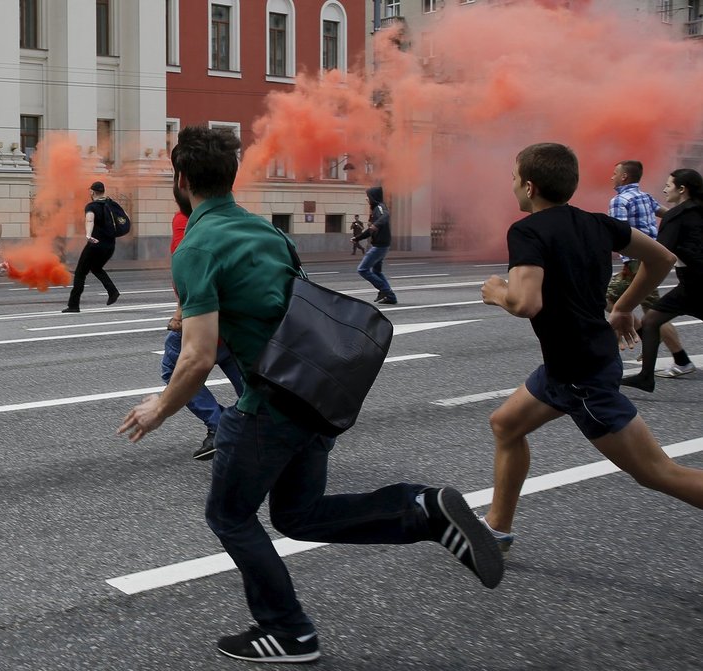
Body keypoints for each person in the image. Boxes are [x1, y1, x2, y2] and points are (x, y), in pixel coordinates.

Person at [119, 126, 503, 664]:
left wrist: (160, 407)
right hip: (314, 396)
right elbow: (276, 308)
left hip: (267, 406)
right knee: (299, 516)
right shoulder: (266, 232)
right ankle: (421, 511)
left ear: (180, 180)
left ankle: (289, 631)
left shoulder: (197, 246)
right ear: (231, 175)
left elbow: (198, 356)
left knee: (230, 516)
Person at [479, 143, 703, 556]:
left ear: (528, 186)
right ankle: (497, 527)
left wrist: (496, 292)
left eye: (513, 178)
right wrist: (623, 307)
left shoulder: (527, 230)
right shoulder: (598, 223)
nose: (511, 186)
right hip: (567, 366)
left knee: (658, 473)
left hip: (582, 376)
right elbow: (662, 259)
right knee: (506, 425)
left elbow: (526, 302)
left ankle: (497, 527)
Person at [161, 171, 245, 461]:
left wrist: (180, 313)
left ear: (182, 184)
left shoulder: (186, 221)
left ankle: (221, 426)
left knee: (174, 369)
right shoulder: (245, 221)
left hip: (204, 318)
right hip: (238, 320)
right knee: (248, 379)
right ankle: (266, 424)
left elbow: (190, 274)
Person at [620, 168, 703, 391]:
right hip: (690, 285)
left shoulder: (677, 216)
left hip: (696, 284)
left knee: (652, 320)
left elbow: (660, 255)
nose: (665, 189)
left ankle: (647, 376)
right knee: (652, 320)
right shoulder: (696, 212)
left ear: (682, 189)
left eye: (669, 185)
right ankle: (646, 377)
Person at [605, 160, 691, 376]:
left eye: (615, 173)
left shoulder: (619, 200)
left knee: (608, 298)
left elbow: (619, 233)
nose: (611, 177)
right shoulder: (646, 197)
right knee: (651, 309)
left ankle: (649, 342)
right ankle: (663, 346)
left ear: (624, 177)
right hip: (652, 258)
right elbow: (668, 214)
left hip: (635, 262)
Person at [61, 181, 121, 313]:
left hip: (95, 244)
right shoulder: (112, 204)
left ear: (92, 192)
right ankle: (112, 291)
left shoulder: (92, 206)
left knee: (80, 273)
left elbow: (90, 220)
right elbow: (124, 219)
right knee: (96, 268)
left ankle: (73, 305)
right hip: (110, 245)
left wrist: (88, 235)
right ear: (103, 191)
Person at [352, 187, 397, 304]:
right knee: (376, 272)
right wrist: (358, 238)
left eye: (368, 196)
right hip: (380, 244)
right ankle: (391, 297)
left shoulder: (380, 207)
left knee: (362, 269)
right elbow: (370, 230)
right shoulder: (375, 210)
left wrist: (376, 224)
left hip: (380, 246)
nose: (367, 199)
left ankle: (385, 290)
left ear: (373, 197)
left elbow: (386, 216)